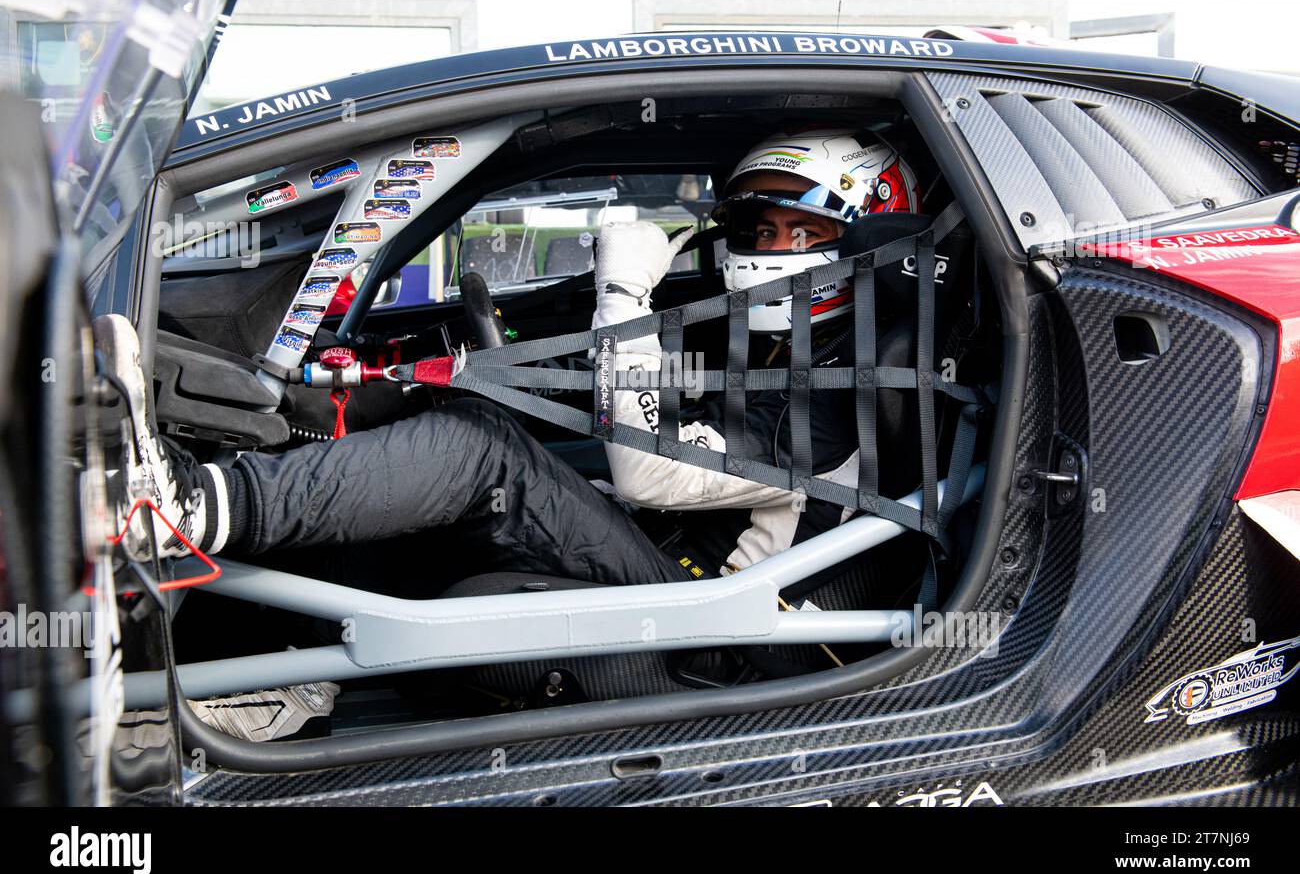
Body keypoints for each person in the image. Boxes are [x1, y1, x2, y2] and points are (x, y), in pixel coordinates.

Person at [103, 127, 920, 587]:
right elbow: (657, 433)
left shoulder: (853, 382)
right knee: (475, 425)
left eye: (804, 235)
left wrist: (624, 298)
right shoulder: (781, 341)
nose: (770, 253)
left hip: (726, 624)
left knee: (480, 454)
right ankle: (287, 673)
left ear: (869, 240)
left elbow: (649, 472)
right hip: (671, 549)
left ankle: (179, 508)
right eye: (758, 232)